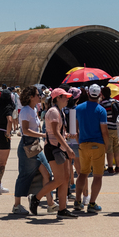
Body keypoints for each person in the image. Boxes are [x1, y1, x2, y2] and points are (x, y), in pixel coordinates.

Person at [33, 88, 73, 217]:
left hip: (60, 147)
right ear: (57, 98)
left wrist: (67, 135)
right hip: (54, 148)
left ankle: (62, 209)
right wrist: (67, 147)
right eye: (64, 97)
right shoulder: (54, 112)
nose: (67, 99)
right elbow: (55, 132)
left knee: (65, 179)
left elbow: (59, 132)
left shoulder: (60, 112)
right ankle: (36, 198)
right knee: (60, 179)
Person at [11, 87, 49, 216]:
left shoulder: (33, 109)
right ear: (31, 97)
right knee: (24, 175)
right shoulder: (26, 111)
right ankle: (17, 205)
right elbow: (26, 130)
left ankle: (43, 201)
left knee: (47, 173)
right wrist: (43, 135)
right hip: (28, 145)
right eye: (38, 95)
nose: (40, 96)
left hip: (35, 145)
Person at [74, 84, 109, 213]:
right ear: (100, 95)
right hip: (98, 144)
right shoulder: (101, 110)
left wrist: (79, 141)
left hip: (83, 144)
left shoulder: (78, 108)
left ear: (88, 93)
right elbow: (104, 131)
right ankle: (92, 203)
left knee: (83, 173)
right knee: (98, 175)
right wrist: (107, 145)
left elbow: (74, 129)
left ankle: (77, 201)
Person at [99, 86, 119, 174]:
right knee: (116, 149)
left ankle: (110, 167)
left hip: (108, 129)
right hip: (117, 129)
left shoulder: (102, 104)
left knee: (109, 150)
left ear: (102, 94)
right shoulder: (117, 102)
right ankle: (118, 167)